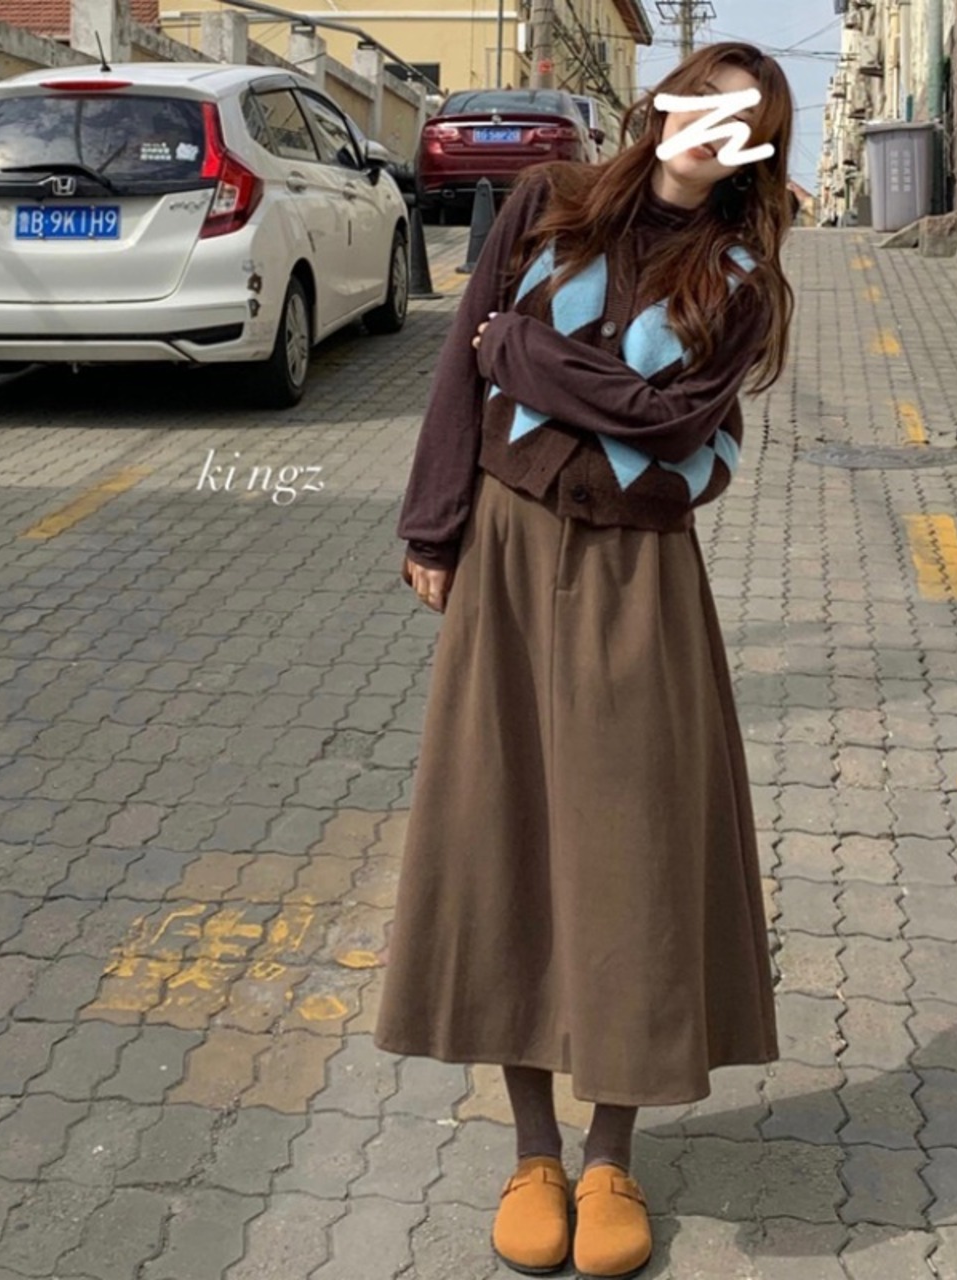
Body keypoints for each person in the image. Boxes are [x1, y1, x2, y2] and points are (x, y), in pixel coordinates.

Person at [374, 41, 795, 1280]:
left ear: (755, 151)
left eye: (739, 120)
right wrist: (431, 525)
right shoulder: (544, 204)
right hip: (505, 551)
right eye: (696, 101)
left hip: (636, 576)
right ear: (659, 105)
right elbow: (457, 363)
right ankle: (531, 1149)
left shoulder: (739, 280)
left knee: (630, 853)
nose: (707, 128)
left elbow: (670, 422)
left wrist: (521, 353)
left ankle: (610, 1150)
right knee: (501, 833)